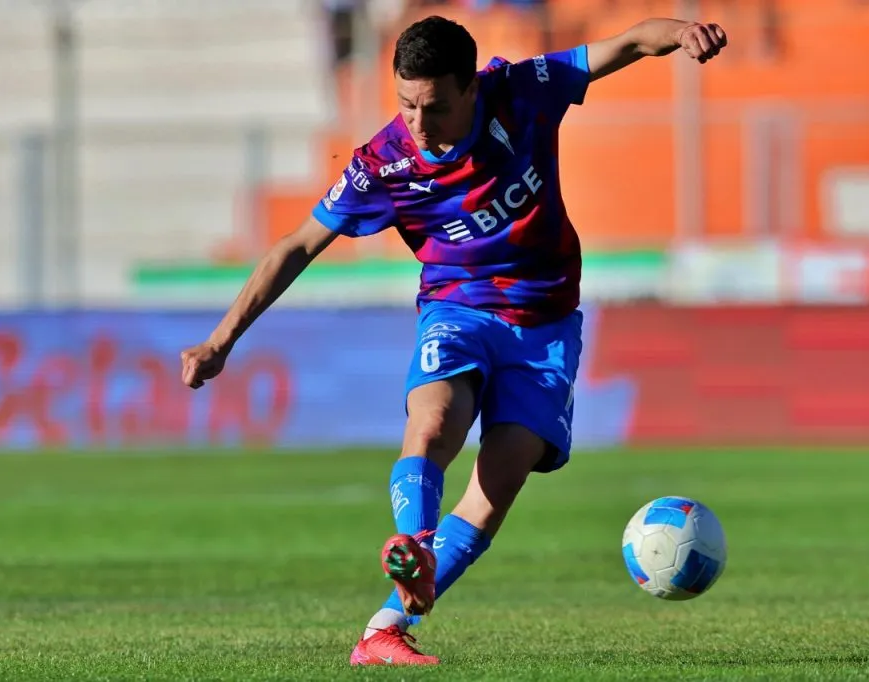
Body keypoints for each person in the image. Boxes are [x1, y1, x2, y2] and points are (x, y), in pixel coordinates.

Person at [180, 14, 726, 666]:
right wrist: (221, 340)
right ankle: (412, 546)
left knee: (494, 493)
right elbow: (299, 244)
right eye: (405, 104)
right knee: (435, 422)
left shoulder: (524, 90)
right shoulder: (382, 165)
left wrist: (685, 32)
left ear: (471, 89)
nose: (416, 121)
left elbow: (631, 42)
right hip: (458, 311)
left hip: (546, 327)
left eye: (433, 106)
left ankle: (382, 633)